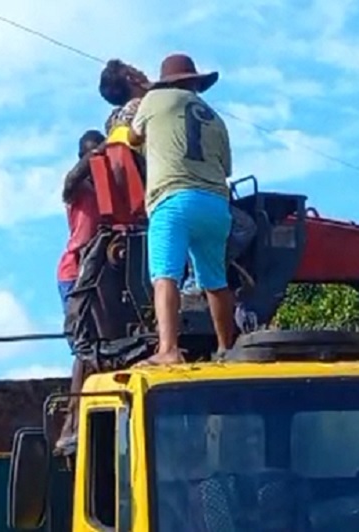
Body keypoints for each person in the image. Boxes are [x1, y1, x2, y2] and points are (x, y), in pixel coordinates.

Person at [128, 53, 235, 364]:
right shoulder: (215, 117)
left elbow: (134, 136)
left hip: (173, 198)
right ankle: (226, 347)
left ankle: (168, 350)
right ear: (195, 84)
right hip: (216, 204)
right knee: (215, 281)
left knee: (165, 275)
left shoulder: (153, 99)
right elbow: (225, 168)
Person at [54, 128, 105, 455]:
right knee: (84, 348)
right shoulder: (78, 189)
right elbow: (70, 180)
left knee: (102, 347)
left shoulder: (109, 191)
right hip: (75, 274)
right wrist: (99, 153)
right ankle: (71, 425)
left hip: (99, 273)